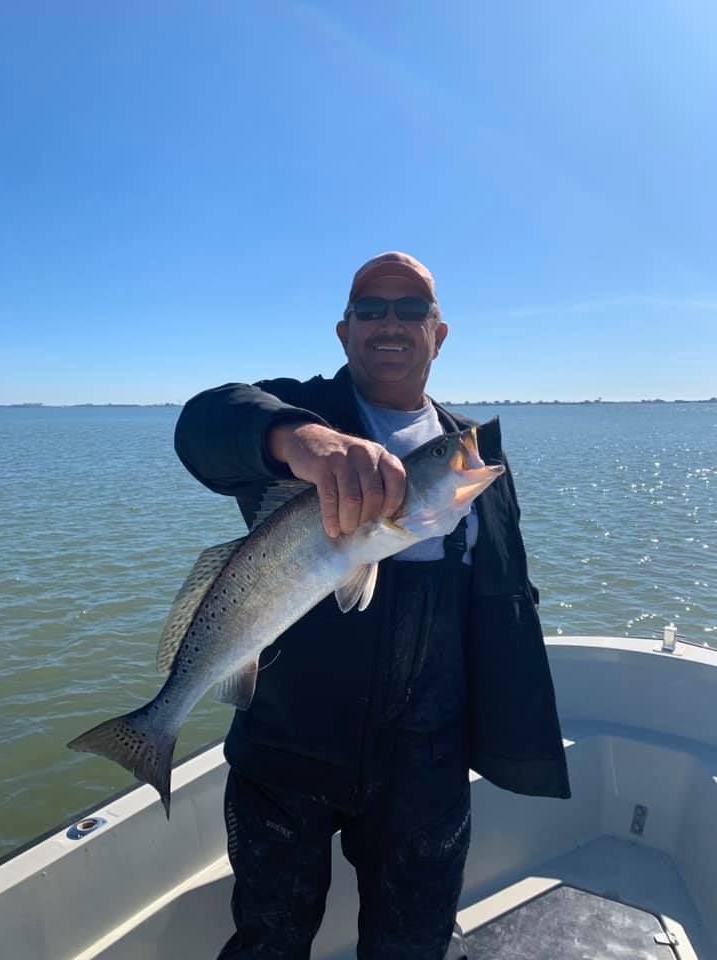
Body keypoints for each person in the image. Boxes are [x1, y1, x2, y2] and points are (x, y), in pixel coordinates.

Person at [174, 251, 570, 959]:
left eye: (412, 308)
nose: (391, 322)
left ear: (438, 334)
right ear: (344, 330)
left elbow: (504, 603)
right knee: (269, 940)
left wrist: (504, 733)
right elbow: (202, 424)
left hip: (426, 762)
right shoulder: (300, 416)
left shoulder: (471, 457)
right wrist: (298, 440)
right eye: (371, 308)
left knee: (412, 945)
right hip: (286, 751)